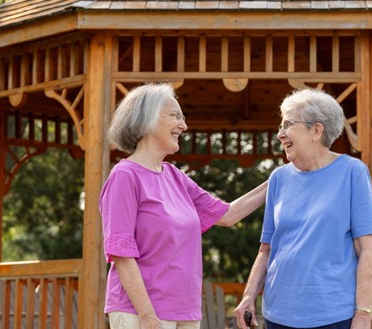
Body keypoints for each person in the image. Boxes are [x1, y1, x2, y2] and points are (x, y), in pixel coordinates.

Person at [100, 82, 268, 329]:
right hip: (143, 314)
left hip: (186, 312)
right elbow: (122, 255)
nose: (184, 125)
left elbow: (228, 214)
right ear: (148, 118)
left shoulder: (175, 176)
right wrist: (147, 316)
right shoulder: (125, 176)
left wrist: (277, 179)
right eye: (175, 116)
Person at [233, 89, 372, 329]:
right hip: (277, 316)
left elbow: (369, 249)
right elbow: (266, 250)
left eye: (288, 124)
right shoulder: (278, 178)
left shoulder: (352, 172)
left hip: (333, 316)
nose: (280, 134)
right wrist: (249, 297)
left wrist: (363, 314)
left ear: (316, 130)